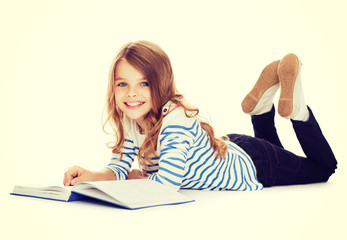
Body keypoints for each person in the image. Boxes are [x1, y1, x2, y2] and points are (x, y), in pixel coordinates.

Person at [63, 40, 337, 191]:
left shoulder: (175, 122)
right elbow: (120, 168)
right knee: (278, 152)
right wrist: (92, 175)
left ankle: (298, 110)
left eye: (143, 83)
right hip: (232, 149)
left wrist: (142, 180)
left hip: (254, 166)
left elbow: (166, 188)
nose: (131, 94)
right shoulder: (131, 117)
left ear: (162, 84)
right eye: (122, 84)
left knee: (324, 169)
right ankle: (261, 111)